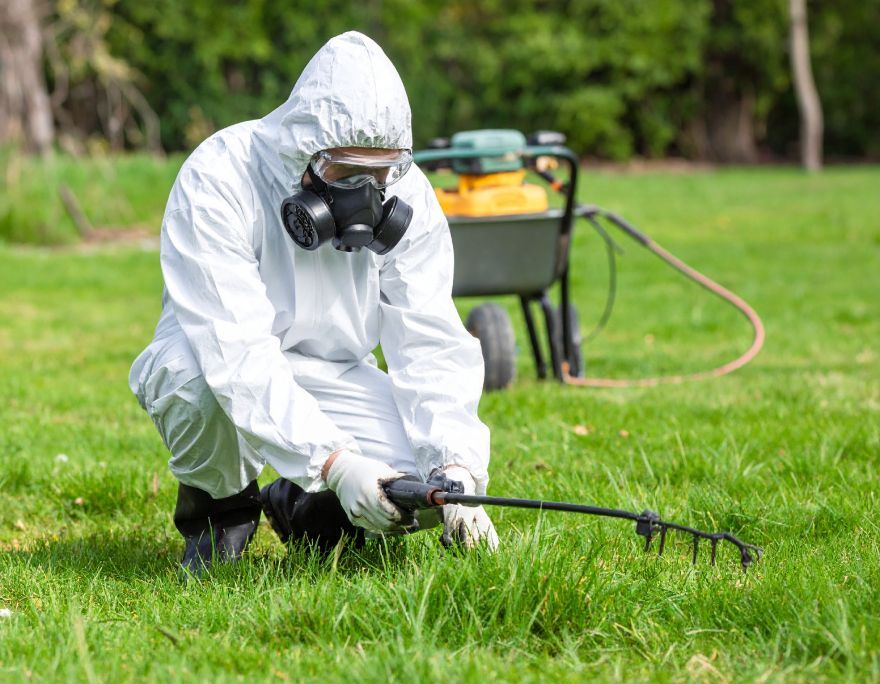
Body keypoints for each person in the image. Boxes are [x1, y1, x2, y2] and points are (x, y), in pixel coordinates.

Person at [129, 31, 498, 573]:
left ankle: (304, 507)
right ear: (304, 153)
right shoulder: (220, 175)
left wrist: (456, 469)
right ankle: (221, 512)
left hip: (334, 373)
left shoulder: (411, 193)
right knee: (192, 381)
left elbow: (430, 339)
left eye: (381, 173)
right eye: (347, 173)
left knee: (420, 492)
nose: (366, 194)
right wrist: (336, 462)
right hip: (215, 361)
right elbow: (234, 351)